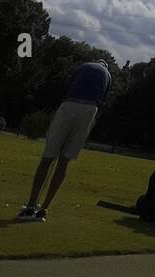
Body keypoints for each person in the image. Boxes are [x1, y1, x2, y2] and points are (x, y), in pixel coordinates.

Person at [17, 59, 111, 222]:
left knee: (47, 158)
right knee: (64, 161)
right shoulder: (108, 75)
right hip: (90, 110)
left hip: (69, 105)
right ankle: (43, 209)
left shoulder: (83, 66)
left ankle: (31, 206)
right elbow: (103, 98)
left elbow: (68, 86)